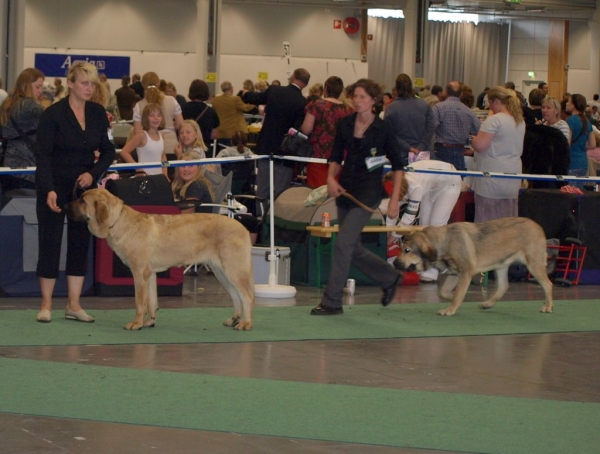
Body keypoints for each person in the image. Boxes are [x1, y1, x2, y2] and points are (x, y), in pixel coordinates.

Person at [310, 78, 406, 316]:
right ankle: (390, 277)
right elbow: (334, 156)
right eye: (355, 96)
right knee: (351, 247)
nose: (357, 100)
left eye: (363, 96)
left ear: (374, 100)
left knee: (343, 244)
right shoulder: (345, 124)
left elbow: (398, 167)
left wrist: (394, 200)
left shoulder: (383, 129)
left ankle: (332, 301)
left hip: (369, 192)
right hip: (345, 190)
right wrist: (331, 178)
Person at [34, 62, 115, 323]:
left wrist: (93, 173)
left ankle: (74, 304)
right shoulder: (52, 114)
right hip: (54, 186)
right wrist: (48, 189)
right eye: (84, 83)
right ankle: (46, 305)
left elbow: (109, 151)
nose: (89, 88)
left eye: (92, 84)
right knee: (50, 242)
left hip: (84, 190)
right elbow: (43, 156)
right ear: (70, 83)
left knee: (80, 244)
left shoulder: (98, 113)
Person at [383, 159, 462, 282]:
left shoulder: (415, 187)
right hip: (431, 184)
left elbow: (408, 219)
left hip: (449, 182)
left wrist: (390, 239)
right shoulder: (397, 182)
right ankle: (422, 265)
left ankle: (433, 271)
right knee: (424, 226)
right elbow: (392, 212)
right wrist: (386, 234)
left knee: (436, 228)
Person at [242, 68, 310, 208]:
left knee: (262, 189)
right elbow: (298, 129)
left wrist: (245, 94)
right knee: (281, 192)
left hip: (266, 147)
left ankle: (261, 220)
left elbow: (254, 98)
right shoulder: (303, 102)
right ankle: (276, 222)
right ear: (306, 84)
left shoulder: (274, 90)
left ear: (293, 77)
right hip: (286, 152)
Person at [470, 86, 524, 222]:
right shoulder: (519, 121)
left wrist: (473, 140)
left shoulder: (494, 120)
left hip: (492, 178)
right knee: (508, 219)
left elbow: (480, 146)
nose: (489, 106)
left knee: (487, 220)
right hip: (513, 176)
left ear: (495, 101)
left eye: (489, 102)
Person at [299, 75, 354, 188]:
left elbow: (306, 129)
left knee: (315, 191)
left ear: (325, 89)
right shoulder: (348, 110)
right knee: (334, 191)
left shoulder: (315, 105)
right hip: (339, 157)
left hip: (317, 155)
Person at [0, 68, 45, 192]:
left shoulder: (7, 104)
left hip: (7, 165)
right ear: (26, 85)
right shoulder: (33, 108)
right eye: (38, 87)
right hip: (27, 168)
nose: (40, 91)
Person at [432, 81, 481, 170]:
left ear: (446, 92)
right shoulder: (469, 111)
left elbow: (430, 130)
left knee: (441, 181)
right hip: (460, 152)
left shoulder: (438, 108)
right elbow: (480, 132)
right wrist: (473, 150)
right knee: (458, 182)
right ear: (461, 94)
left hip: (442, 151)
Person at [385, 73, 436, 159]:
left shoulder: (391, 108)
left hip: (401, 155)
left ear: (396, 89)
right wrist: (421, 146)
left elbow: (389, 134)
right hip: (424, 155)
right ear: (411, 87)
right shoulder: (424, 105)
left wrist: (409, 148)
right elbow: (431, 128)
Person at [132, 72, 182, 159]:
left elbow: (137, 132)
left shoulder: (139, 106)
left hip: (149, 149)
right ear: (158, 83)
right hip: (171, 147)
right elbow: (180, 125)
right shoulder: (172, 100)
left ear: (143, 85)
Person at [119, 103, 168, 178]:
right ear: (146, 118)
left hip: (159, 177)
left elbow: (163, 157)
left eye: (159, 115)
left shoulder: (162, 135)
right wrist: (138, 168)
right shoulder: (141, 135)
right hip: (145, 176)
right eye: (152, 115)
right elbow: (124, 152)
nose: (156, 118)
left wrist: (165, 175)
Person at [211, 80, 255, 147]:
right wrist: (255, 104)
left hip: (220, 132)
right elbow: (246, 108)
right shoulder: (235, 99)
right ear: (231, 89)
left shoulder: (216, 100)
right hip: (233, 132)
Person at [566, 94, 596, 186]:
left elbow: (568, 142)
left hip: (572, 161)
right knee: (579, 192)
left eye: (568, 101)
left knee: (570, 192)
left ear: (573, 105)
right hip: (583, 162)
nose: (566, 103)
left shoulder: (571, 120)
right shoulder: (587, 121)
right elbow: (593, 145)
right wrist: (582, 145)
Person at [181, 79, 220, 147]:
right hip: (204, 147)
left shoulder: (182, 107)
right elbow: (214, 135)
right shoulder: (211, 111)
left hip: (186, 146)